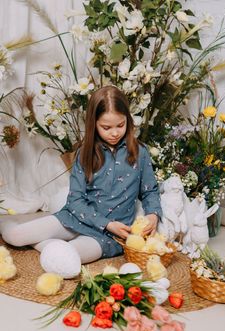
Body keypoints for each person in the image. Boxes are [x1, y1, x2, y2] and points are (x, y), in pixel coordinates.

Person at [1, 86, 162, 270]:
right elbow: (75, 201)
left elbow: (150, 191)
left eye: (120, 125)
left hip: (110, 236)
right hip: (76, 219)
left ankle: (51, 248)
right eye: (106, 127)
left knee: (67, 258)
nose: (115, 133)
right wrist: (106, 223)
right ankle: (49, 246)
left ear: (128, 120)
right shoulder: (84, 153)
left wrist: (152, 214)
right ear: (94, 124)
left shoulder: (140, 152)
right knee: (14, 235)